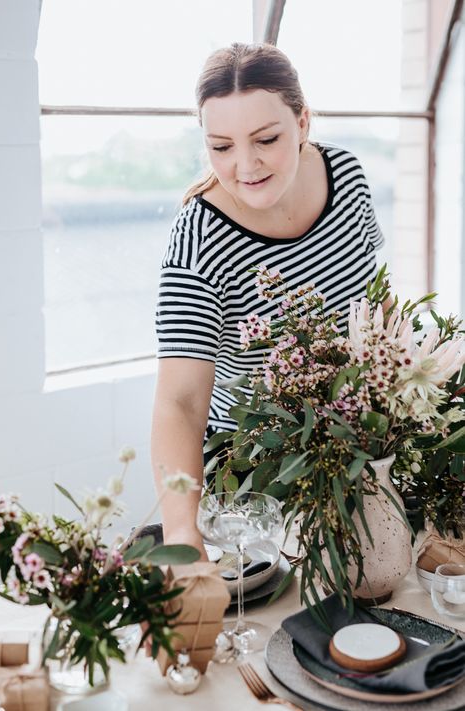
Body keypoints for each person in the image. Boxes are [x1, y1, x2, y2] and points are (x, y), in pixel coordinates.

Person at [151, 42, 384, 558]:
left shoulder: (347, 179)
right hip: (257, 477)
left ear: (302, 122)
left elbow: (371, 314)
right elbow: (181, 403)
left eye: (266, 139)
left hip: (358, 444)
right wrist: (183, 538)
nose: (245, 166)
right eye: (222, 146)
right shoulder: (199, 239)